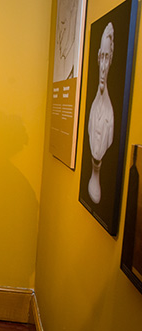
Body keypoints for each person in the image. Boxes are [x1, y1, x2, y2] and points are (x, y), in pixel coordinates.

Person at [87, 22, 115, 204]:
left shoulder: (109, 116)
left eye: (108, 59)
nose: (103, 68)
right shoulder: (93, 110)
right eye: (102, 58)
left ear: (111, 60)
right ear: (98, 58)